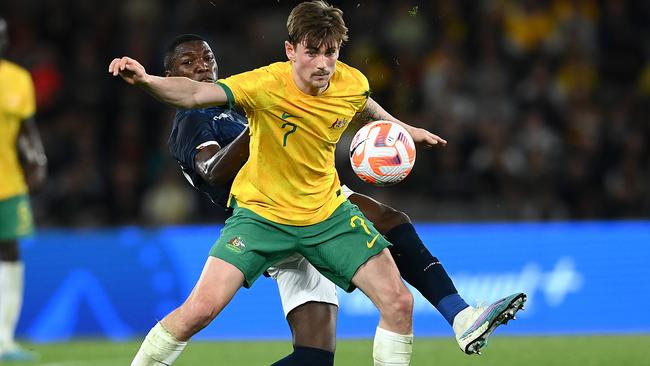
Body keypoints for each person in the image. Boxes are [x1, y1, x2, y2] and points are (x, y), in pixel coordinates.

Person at [110, 2, 520, 365]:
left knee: (346, 335)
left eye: (331, 53)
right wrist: (146, 81)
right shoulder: (255, 90)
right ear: (290, 51)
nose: (324, 64)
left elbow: (359, 102)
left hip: (325, 213)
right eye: (313, 53)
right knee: (199, 310)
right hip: (261, 215)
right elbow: (195, 114)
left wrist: (401, 128)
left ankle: (462, 316)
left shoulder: (347, 80)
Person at [0, 17, 47, 362]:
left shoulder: (17, 79)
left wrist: (38, 160)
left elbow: (27, 129)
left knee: (10, 254)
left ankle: (4, 340)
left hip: (8, 183)